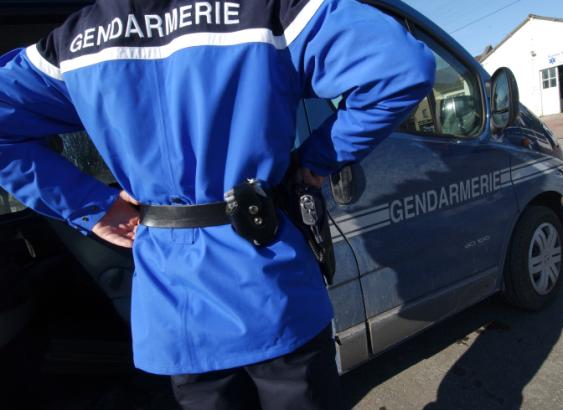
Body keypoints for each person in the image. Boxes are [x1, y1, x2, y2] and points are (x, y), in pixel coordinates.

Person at [0, 0, 435, 408]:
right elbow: (403, 68)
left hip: (174, 307)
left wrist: (91, 207)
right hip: (271, 283)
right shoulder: (269, 9)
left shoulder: (73, 42)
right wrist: (318, 160)